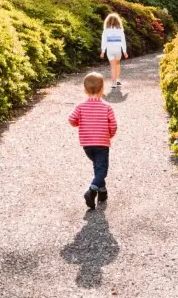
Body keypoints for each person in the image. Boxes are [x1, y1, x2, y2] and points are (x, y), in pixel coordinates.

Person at [68, 72, 118, 209]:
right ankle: (91, 190)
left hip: (87, 145)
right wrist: (109, 135)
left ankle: (102, 192)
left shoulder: (80, 107)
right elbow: (113, 125)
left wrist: (80, 123)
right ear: (103, 89)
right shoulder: (107, 107)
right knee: (102, 169)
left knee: (97, 166)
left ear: (85, 90)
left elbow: (71, 120)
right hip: (102, 143)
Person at [100, 13, 128, 89]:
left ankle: (113, 82)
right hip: (118, 50)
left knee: (113, 66)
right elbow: (123, 42)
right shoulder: (120, 31)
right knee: (117, 64)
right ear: (118, 22)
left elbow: (104, 42)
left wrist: (103, 51)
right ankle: (118, 79)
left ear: (107, 22)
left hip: (110, 50)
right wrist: (124, 51)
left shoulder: (106, 31)